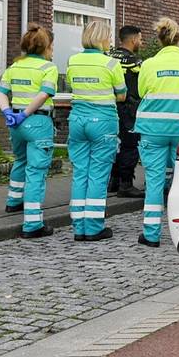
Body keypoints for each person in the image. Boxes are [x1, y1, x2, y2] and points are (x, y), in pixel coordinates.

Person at [134, 18, 179, 247]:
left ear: (160, 39)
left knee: (154, 181)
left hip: (152, 130)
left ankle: (151, 234)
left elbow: (141, 91)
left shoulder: (149, 64)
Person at [0, 24, 58, 239]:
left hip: (16, 125)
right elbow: (44, 94)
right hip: (38, 122)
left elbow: (1, 92)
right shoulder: (48, 68)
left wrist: (9, 113)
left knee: (20, 160)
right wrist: (27, 113)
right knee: (36, 171)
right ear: (46, 48)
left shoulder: (14, 67)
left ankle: (13, 202)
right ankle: (32, 224)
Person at [66, 20, 127, 241]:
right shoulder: (110, 63)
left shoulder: (73, 61)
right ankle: (93, 227)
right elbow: (121, 94)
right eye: (108, 36)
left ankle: (78, 226)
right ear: (102, 38)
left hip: (77, 120)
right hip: (103, 121)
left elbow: (73, 86)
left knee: (80, 172)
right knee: (98, 175)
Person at [108, 25, 143, 198]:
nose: (141, 42)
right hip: (128, 109)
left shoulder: (108, 57)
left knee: (113, 145)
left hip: (109, 108)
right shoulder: (134, 62)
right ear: (134, 39)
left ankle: (113, 181)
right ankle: (126, 184)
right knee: (129, 146)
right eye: (140, 39)